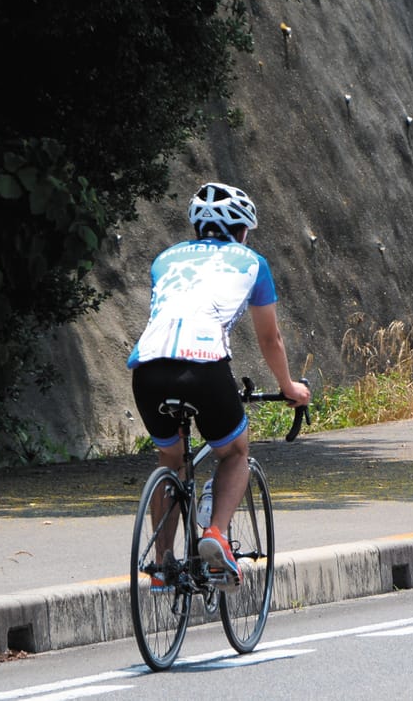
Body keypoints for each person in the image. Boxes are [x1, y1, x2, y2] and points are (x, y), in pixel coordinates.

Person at [127, 182, 311, 586]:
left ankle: (163, 565)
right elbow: (269, 339)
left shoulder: (164, 259)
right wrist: (289, 386)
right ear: (241, 230)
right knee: (235, 452)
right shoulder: (252, 262)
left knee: (170, 459)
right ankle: (216, 536)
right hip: (204, 367)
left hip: (148, 369)